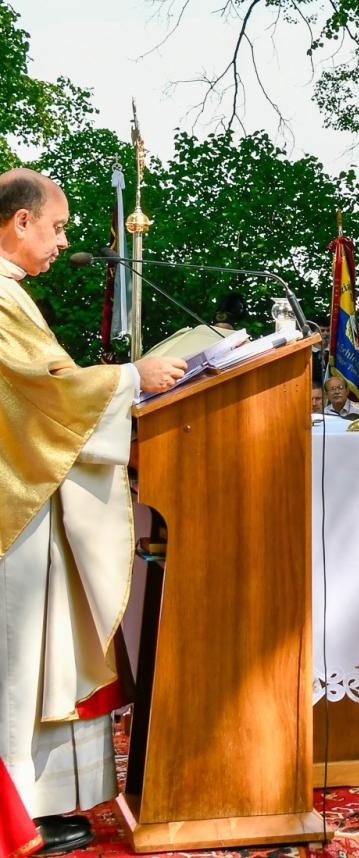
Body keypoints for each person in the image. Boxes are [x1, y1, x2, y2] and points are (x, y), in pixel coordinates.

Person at [0, 168, 188, 846]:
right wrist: (134, 378)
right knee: (19, 655)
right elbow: (47, 393)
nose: (61, 242)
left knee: (36, 650)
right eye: (56, 228)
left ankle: (31, 801)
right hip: (12, 504)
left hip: (25, 493)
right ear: (20, 221)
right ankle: (15, 814)